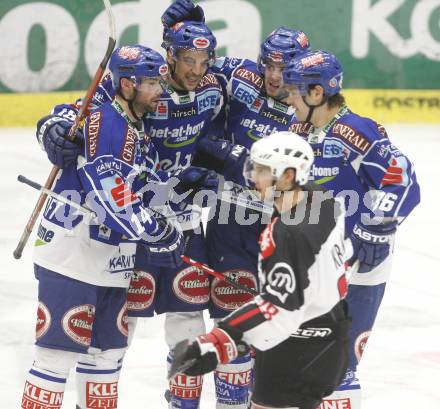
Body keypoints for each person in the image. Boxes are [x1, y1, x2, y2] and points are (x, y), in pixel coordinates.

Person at [22, 45, 185, 409]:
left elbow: (67, 112)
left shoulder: (128, 118)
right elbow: (114, 203)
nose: (160, 91)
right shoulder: (110, 126)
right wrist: (159, 231)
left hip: (114, 260)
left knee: (105, 359)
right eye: (152, 84)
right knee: (56, 358)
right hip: (73, 258)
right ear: (127, 85)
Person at [278, 50, 421, 408]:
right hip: (313, 267)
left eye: (294, 90)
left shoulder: (354, 131)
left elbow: (403, 181)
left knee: (338, 366)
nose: (287, 97)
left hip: (357, 268)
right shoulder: (297, 130)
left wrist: (374, 229)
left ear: (316, 94)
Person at [169, 131, 352, 409]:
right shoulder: (321, 199)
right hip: (327, 331)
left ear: (289, 176)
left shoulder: (289, 235)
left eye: (263, 170)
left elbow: (278, 311)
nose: (253, 176)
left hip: (299, 348)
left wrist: (220, 340)